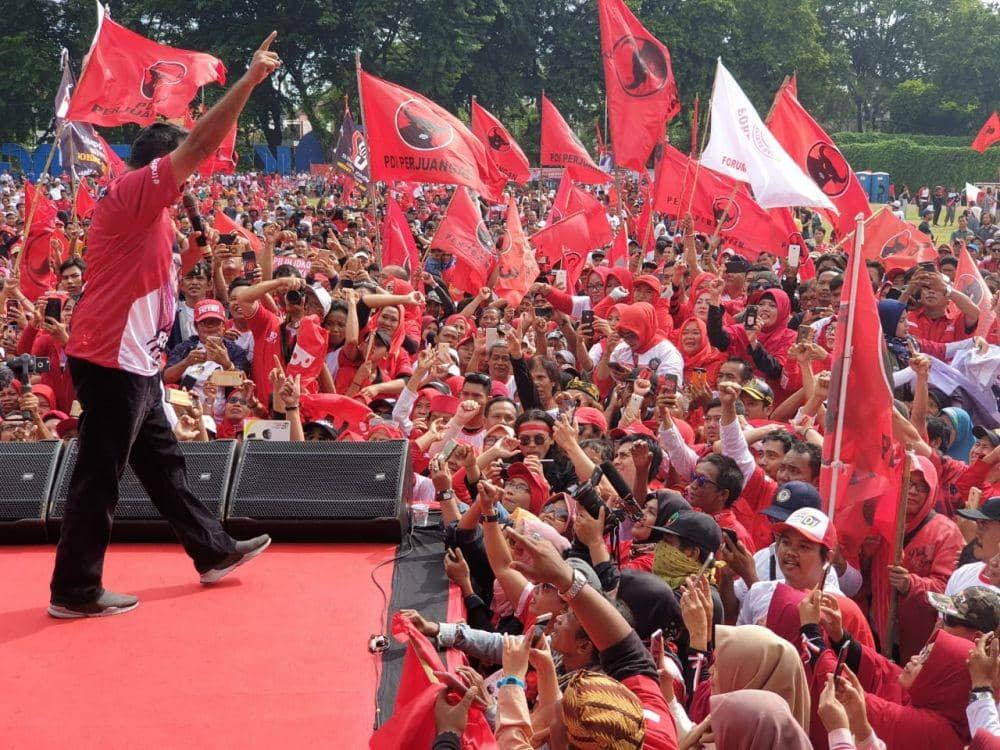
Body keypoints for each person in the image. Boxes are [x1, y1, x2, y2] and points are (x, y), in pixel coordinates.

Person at [47, 34, 282, 618]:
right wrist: (248, 82)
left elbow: (148, 280)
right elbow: (201, 143)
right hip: (110, 357)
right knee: (99, 475)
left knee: (164, 464)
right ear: (162, 164)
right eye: (185, 168)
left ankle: (212, 551)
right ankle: (74, 591)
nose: (191, 181)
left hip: (137, 360)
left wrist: (192, 260)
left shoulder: (149, 213)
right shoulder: (134, 191)